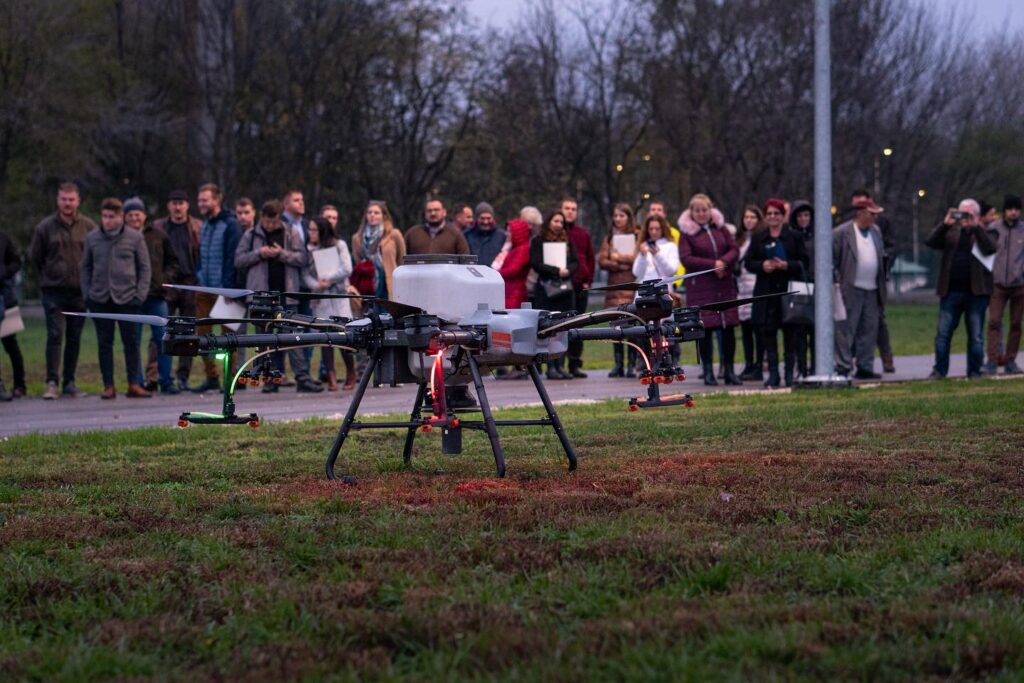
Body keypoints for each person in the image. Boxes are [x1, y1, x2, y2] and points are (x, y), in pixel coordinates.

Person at [234, 200, 321, 393]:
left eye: (273, 222)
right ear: (261, 217)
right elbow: (239, 260)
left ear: (279, 218)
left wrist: (281, 253)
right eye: (267, 221)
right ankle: (270, 380)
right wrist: (259, 254)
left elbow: (302, 258)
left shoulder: (291, 233)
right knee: (264, 340)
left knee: (293, 337)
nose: (270, 225)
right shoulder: (251, 235)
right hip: (261, 298)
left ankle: (302, 378)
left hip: (286, 294)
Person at [29, 181, 97, 399]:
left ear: (78, 201)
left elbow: (96, 256)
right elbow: (35, 257)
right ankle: (52, 382)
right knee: (55, 335)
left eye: (71, 199)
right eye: (64, 199)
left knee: (74, 337)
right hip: (54, 292)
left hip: (79, 292)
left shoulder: (88, 227)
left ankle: (69, 382)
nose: (67, 203)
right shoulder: (45, 227)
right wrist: (50, 276)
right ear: (57, 200)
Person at [80, 197, 151, 399]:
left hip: (128, 298)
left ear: (121, 217)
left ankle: (133, 384)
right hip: (100, 299)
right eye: (104, 216)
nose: (107, 220)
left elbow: (144, 268)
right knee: (104, 343)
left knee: (131, 342)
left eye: (111, 216)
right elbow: (85, 267)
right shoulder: (92, 238)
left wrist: (139, 295)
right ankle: (108, 386)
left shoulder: (134, 237)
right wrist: (87, 295)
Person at [926, 199, 996, 379]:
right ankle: (939, 370)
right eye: (962, 213)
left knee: (976, 336)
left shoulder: (987, 232)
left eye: (969, 214)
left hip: (976, 293)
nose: (964, 218)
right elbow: (931, 242)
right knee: (943, 334)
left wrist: (976, 227)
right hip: (951, 291)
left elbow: (991, 248)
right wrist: (945, 224)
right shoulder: (951, 232)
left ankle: (974, 371)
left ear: (978, 216)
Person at [745, 198, 808, 387]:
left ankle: (789, 373)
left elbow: (804, 262)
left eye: (776, 213)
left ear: (783, 215)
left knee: (790, 333)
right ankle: (773, 374)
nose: (773, 217)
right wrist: (763, 265)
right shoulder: (759, 237)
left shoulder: (794, 236)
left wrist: (786, 265)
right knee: (768, 333)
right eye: (769, 213)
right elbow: (748, 263)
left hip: (788, 292)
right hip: (766, 292)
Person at [678, 194, 740, 386]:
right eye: (697, 210)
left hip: (724, 285)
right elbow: (686, 258)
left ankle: (729, 371)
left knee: (728, 329)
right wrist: (712, 265)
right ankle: (708, 372)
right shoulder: (687, 234)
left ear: (710, 210)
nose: (701, 213)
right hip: (701, 287)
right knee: (705, 329)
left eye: (704, 210)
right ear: (691, 212)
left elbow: (734, 249)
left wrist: (724, 263)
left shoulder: (721, 229)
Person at [124, 197, 179, 395]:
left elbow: (173, 261)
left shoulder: (158, 235)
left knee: (164, 338)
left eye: (137, 214)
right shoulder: (121, 237)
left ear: (144, 215)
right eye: (130, 215)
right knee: (134, 341)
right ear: (125, 217)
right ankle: (137, 382)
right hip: (132, 298)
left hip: (156, 295)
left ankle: (166, 381)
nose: (134, 218)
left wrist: (165, 279)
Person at [194, 183, 242, 393]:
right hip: (204, 288)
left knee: (228, 338)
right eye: (199, 200)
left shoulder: (231, 224)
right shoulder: (205, 225)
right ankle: (211, 377)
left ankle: (229, 380)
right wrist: (198, 276)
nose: (201, 204)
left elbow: (233, 258)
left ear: (217, 200)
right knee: (202, 335)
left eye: (205, 200)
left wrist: (229, 288)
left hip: (225, 290)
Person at [833, 196, 887, 379]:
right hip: (850, 288)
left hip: (872, 288)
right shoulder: (842, 233)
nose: (874, 218)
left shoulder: (876, 231)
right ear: (861, 213)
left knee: (869, 329)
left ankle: (865, 365)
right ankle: (843, 364)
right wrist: (838, 282)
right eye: (872, 214)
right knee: (846, 328)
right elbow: (834, 258)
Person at [153, 189, 201, 391]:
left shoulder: (198, 227)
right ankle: (155, 375)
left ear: (187, 205)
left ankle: (183, 376)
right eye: (174, 203)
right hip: (168, 284)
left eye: (181, 203)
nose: (178, 207)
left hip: (190, 283)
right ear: (169, 205)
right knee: (161, 331)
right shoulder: (159, 227)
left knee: (188, 332)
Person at [303, 215, 355, 390]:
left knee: (343, 335)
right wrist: (317, 285)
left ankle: (351, 373)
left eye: (314, 230)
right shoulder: (309, 249)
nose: (310, 233)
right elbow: (305, 274)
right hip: (321, 297)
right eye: (309, 229)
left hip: (339, 296)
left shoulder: (339, 245)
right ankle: (331, 375)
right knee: (325, 337)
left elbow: (347, 268)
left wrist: (329, 278)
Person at [851, 189, 896, 373]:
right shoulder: (845, 229)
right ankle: (847, 362)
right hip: (852, 287)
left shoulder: (879, 226)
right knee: (850, 325)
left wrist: (883, 267)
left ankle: (876, 361)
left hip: (874, 286)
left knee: (874, 325)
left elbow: (890, 248)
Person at [530, 210, 578, 379]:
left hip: (564, 291)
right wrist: (556, 271)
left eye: (561, 222)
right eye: (556, 221)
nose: (559, 224)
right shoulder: (538, 241)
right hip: (545, 290)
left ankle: (560, 366)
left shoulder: (567, 240)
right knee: (549, 328)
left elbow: (575, 261)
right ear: (549, 222)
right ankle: (550, 366)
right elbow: (536, 263)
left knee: (563, 327)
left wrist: (568, 270)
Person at [599, 203, 640, 378]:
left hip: (631, 285)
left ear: (628, 217)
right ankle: (618, 364)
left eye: (621, 216)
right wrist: (618, 264)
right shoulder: (609, 237)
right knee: (616, 327)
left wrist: (619, 258)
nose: (617, 219)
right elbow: (602, 260)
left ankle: (631, 364)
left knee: (631, 327)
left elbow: (637, 258)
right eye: (615, 216)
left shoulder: (637, 235)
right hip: (614, 288)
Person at [984, 194, 1024, 375]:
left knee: (1016, 323)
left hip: (1019, 285)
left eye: (1016, 209)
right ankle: (992, 359)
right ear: (1005, 210)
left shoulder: (1022, 230)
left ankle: (1010, 360)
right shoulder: (994, 229)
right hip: (998, 283)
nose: (1013, 212)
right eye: (1010, 209)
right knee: (994, 321)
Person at [561, 198, 595, 378]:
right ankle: (558, 363)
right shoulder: (556, 232)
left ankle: (574, 363)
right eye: (567, 208)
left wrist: (588, 280)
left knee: (578, 324)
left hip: (580, 284)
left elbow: (590, 258)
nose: (570, 211)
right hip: (561, 284)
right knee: (560, 325)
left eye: (573, 209)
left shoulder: (583, 234)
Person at [351, 200, 406, 301]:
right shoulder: (357, 238)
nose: (372, 215)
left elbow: (401, 259)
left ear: (383, 216)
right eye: (369, 212)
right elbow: (357, 261)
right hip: (367, 284)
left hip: (387, 283)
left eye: (376, 213)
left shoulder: (394, 234)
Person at [787, 200, 815, 379]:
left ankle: (817, 366)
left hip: (817, 286)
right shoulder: (791, 237)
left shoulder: (819, 236)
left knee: (816, 330)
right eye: (799, 216)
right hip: (799, 286)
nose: (803, 219)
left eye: (806, 215)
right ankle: (802, 367)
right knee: (799, 330)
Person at [736, 206, 764, 381]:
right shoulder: (740, 239)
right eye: (746, 217)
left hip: (756, 287)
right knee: (745, 329)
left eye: (753, 217)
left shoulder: (761, 237)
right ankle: (748, 364)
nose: (749, 220)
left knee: (758, 329)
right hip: (741, 289)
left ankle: (759, 365)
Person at [0, 229, 25, 399]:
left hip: (6, 298)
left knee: (11, 344)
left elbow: (16, 261)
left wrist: (4, 273)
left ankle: (19, 385)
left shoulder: (3, 238)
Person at [405, 198, 470, 256]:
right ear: (425, 214)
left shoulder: (455, 234)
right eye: (429, 211)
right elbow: (402, 257)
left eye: (436, 210)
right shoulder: (412, 234)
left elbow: (464, 259)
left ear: (444, 212)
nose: (433, 213)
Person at [465, 202, 506, 269]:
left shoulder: (502, 235)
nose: (485, 222)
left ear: (493, 218)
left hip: (495, 273)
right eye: (482, 218)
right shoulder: (467, 235)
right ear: (477, 218)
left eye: (488, 218)